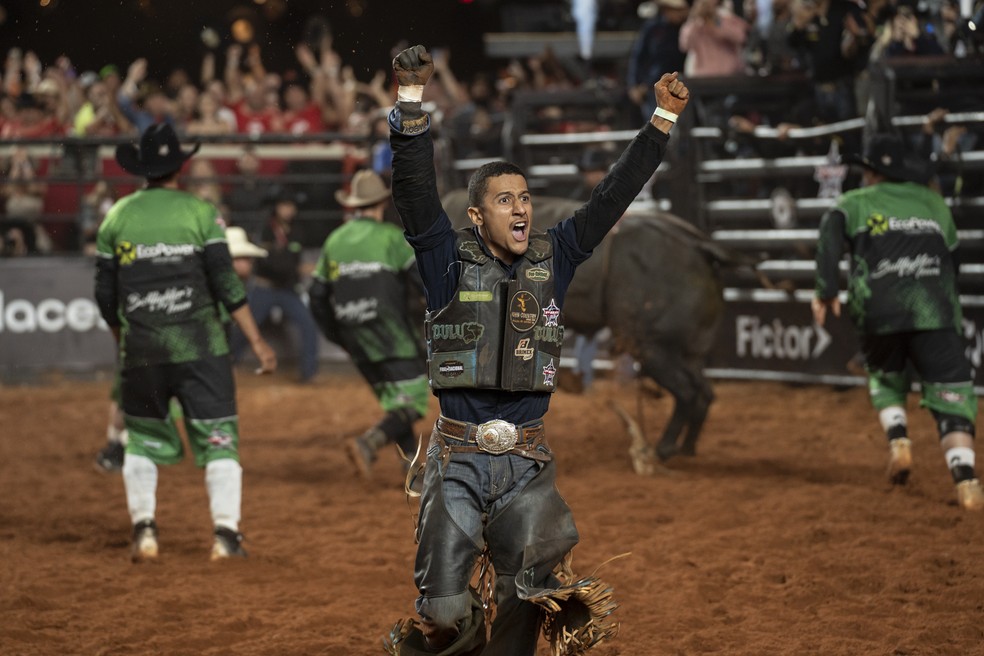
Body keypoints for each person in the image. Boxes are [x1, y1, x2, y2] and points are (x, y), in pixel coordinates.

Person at [382, 44, 690, 655]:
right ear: (477, 216)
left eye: (524, 197)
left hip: (527, 462)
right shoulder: (446, 260)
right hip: (458, 458)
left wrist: (661, 121)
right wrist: (410, 101)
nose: (521, 207)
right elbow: (415, 193)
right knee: (441, 612)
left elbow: (612, 197)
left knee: (524, 601)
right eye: (505, 200)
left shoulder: (558, 256)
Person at [94, 123, 277, 562]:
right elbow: (226, 283)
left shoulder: (117, 216)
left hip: (143, 350)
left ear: (142, 169)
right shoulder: (201, 213)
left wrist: (124, 339)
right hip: (202, 347)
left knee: (141, 438)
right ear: (180, 167)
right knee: (220, 437)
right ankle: (225, 536)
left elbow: (104, 295)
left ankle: (144, 530)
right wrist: (256, 340)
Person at [812, 133, 983, 511]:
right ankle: (966, 480)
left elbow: (829, 230)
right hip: (934, 311)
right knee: (952, 393)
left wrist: (826, 290)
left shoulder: (854, 202)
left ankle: (899, 441)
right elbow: (953, 262)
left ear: (871, 172)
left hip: (879, 310)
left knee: (886, 377)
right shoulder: (933, 202)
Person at [307, 169, 429, 481]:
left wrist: (338, 335)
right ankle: (369, 442)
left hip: (356, 338)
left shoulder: (335, 240)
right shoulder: (391, 237)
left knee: (397, 402)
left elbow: (317, 296)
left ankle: (411, 469)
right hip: (392, 335)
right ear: (381, 203)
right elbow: (421, 280)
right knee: (413, 402)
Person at [243, 188, 321, 383]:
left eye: (291, 206)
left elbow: (290, 259)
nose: (288, 210)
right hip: (265, 288)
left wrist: (293, 267)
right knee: (245, 327)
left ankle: (308, 373)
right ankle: (228, 364)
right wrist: (294, 267)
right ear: (277, 207)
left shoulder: (297, 230)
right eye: (284, 205)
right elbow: (268, 262)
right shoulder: (265, 228)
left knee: (308, 325)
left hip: (287, 289)